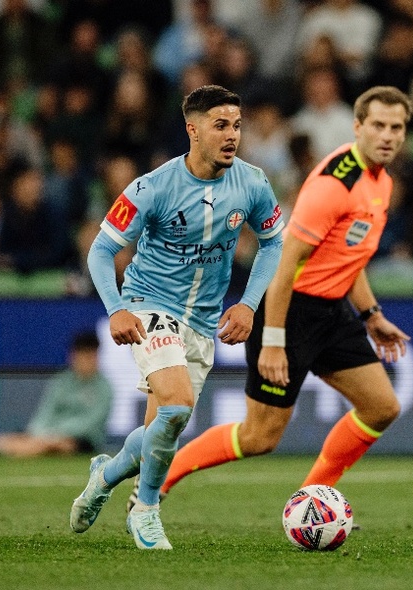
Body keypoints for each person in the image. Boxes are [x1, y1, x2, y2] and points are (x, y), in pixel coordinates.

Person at [156, 86, 411, 512]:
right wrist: (272, 339)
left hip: (332, 312)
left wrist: (370, 314)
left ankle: (312, 503)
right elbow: (284, 263)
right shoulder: (335, 184)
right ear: (357, 127)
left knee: (382, 407)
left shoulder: (380, 181)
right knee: (260, 438)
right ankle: (162, 477)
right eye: (379, 125)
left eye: (397, 127)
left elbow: (349, 256)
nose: (388, 135)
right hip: (289, 310)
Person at [68, 85, 285, 550]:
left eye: (237, 126)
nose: (232, 135)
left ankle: (104, 474)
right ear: (193, 130)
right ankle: (145, 511)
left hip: (203, 323)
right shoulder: (153, 186)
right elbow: (102, 251)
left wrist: (248, 303)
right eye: (220, 125)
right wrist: (118, 309)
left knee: (158, 431)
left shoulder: (252, 183)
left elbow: (274, 244)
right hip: (150, 306)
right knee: (177, 406)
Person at [0, 330, 113, 457]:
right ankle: (23, 448)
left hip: (82, 441)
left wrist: (57, 435)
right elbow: (45, 413)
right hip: (48, 436)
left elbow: (90, 424)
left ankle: (24, 451)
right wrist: (39, 434)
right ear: (73, 356)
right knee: (1, 440)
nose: (87, 361)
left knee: (57, 445)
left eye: (91, 356)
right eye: (82, 356)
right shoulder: (61, 381)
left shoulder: (105, 387)